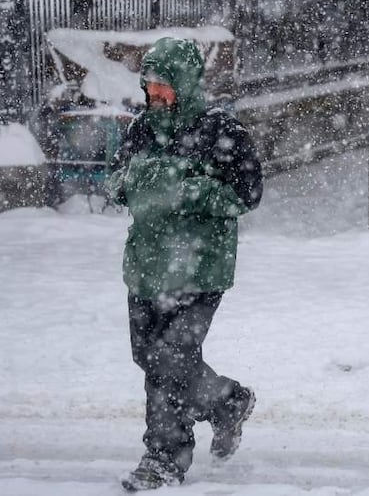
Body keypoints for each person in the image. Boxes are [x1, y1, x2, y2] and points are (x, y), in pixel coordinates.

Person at [109, 37, 263, 491]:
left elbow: (246, 195)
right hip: (146, 265)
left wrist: (189, 189)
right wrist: (135, 181)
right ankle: (226, 402)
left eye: (163, 86)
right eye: (149, 85)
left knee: (169, 358)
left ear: (186, 83)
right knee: (149, 356)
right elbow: (115, 181)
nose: (154, 94)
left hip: (200, 268)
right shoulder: (141, 128)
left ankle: (164, 458)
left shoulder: (222, 131)